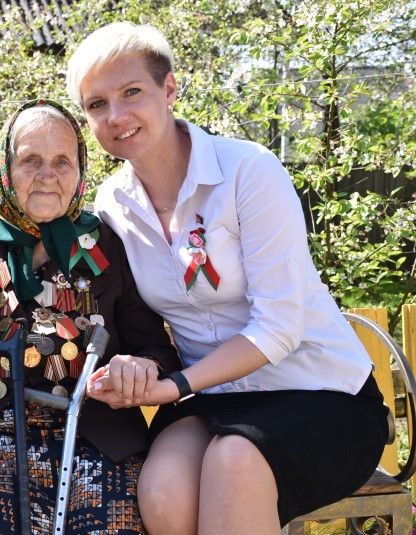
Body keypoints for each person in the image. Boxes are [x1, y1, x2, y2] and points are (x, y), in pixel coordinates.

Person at [65, 21, 390, 534]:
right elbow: (126, 317)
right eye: (97, 104)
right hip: (213, 399)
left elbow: (278, 328)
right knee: (163, 492)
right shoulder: (112, 205)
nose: (116, 116)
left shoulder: (248, 171)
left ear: (169, 89)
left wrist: (175, 386)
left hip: (319, 389)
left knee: (234, 461)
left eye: (132, 92)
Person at [0, 98, 180, 534]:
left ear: (80, 170)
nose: (48, 175)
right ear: (3, 166)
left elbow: (154, 347)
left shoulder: (104, 243)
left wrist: (140, 365)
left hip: (95, 434)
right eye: (30, 160)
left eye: (62, 162)